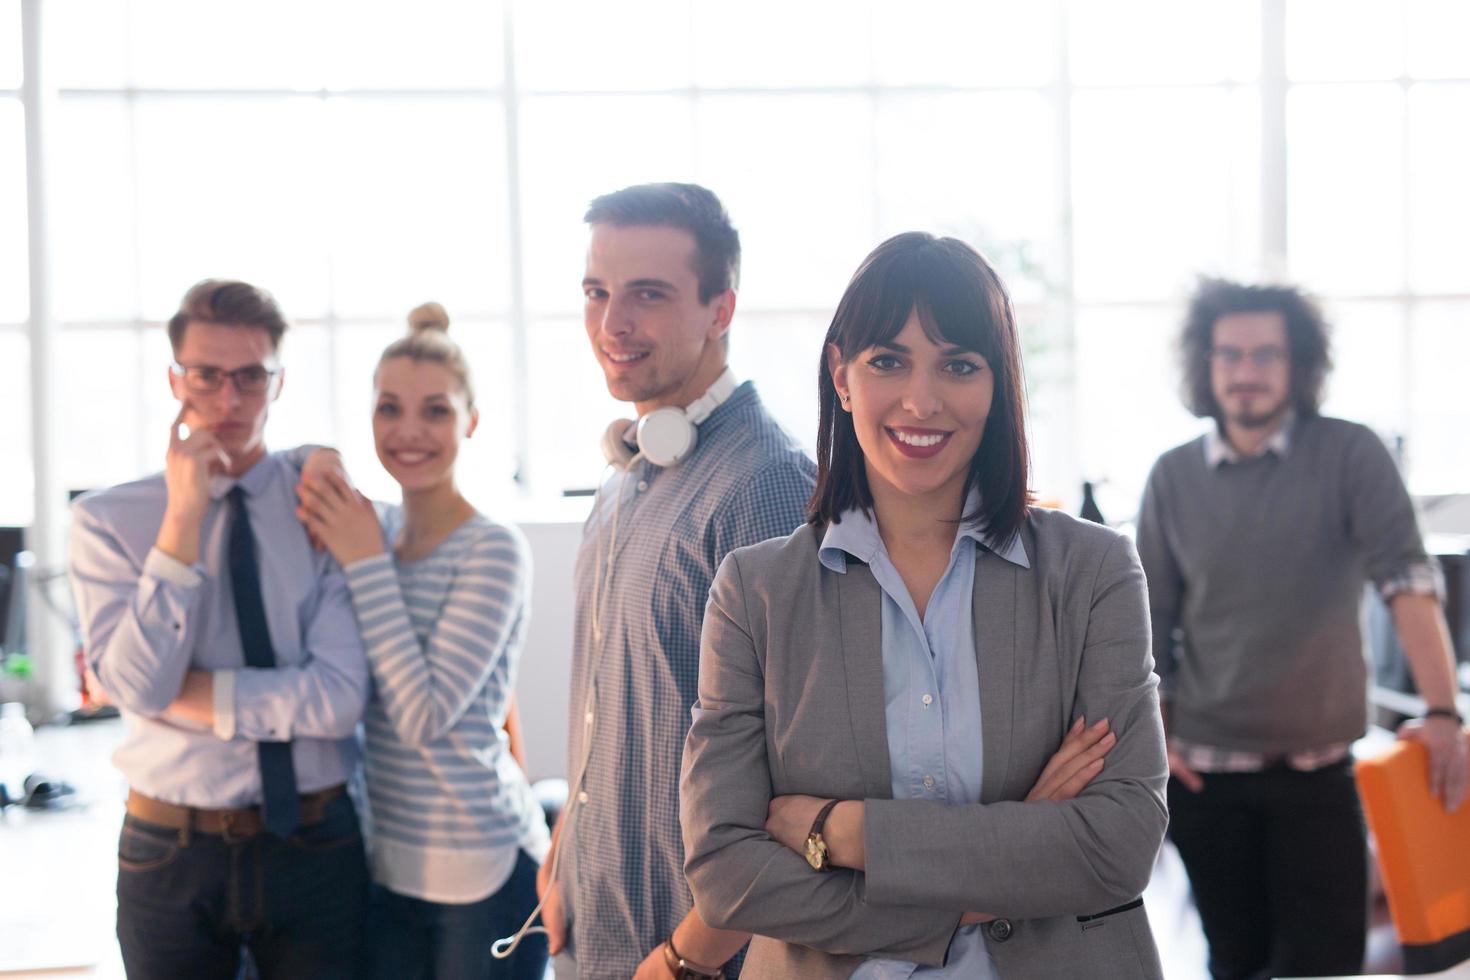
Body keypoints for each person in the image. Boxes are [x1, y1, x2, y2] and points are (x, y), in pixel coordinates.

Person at [680, 233, 1169, 980]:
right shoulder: (756, 593)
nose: (921, 399)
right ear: (842, 376)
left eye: (959, 365)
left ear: (998, 383)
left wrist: (843, 833)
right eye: (888, 361)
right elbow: (725, 874)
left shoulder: (1092, 573)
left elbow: (1119, 845)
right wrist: (1020, 844)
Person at [1136, 278, 1469, 980]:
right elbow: (1150, 624)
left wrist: (1442, 712)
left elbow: (1408, 582)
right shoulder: (1170, 476)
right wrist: (1155, 735)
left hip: (1318, 774)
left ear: (1298, 365)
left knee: (1324, 964)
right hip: (1206, 778)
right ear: (1206, 364)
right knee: (1234, 961)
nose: (1247, 372)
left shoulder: (1350, 455)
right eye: (1229, 355)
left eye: (1266, 354)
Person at [536, 182, 816, 980]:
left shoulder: (767, 483)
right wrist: (563, 855)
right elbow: (609, 704)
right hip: (597, 932)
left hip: (691, 960)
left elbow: (798, 773)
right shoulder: (625, 475)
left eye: (647, 295)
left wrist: (686, 959)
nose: (611, 324)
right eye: (597, 293)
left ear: (720, 309)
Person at [69, 279, 371, 978]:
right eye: (207, 375)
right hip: (168, 845)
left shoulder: (320, 501)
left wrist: (189, 698)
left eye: (250, 377)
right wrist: (181, 522)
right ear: (176, 379)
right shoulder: (109, 522)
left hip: (315, 840)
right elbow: (139, 684)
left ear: (279, 381)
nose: (229, 400)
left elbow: (338, 699)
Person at [293, 303, 550, 979]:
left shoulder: (494, 549)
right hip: (385, 863)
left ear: (471, 420)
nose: (409, 431)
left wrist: (364, 563)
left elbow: (423, 716)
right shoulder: (368, 528)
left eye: (435, 410)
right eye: (389, 409)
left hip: (483, 869)